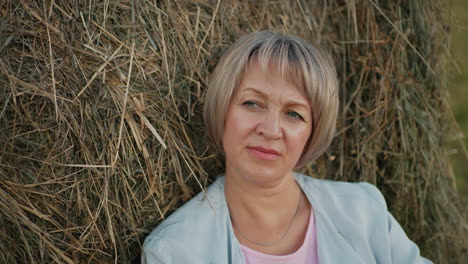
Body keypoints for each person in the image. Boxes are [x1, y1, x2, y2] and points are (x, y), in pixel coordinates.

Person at [142, 30, 431, 264]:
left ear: (312, 132)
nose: (269, 130)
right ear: (222, 109)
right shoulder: (175, 252)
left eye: (294, 114)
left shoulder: (366, 214)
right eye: (252, 103)